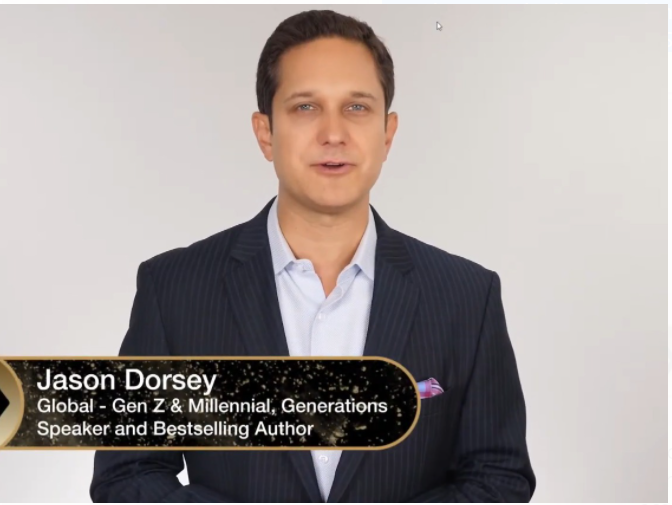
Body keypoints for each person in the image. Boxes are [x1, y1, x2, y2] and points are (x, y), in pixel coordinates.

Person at [90, 9, 535, 503]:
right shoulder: (175, 290)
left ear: (387, 134)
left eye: (356, 107)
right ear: (265, 132)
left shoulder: (466, 298)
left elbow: (499, 477)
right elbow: (127, 476)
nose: (333, 133)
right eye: (305, 107)